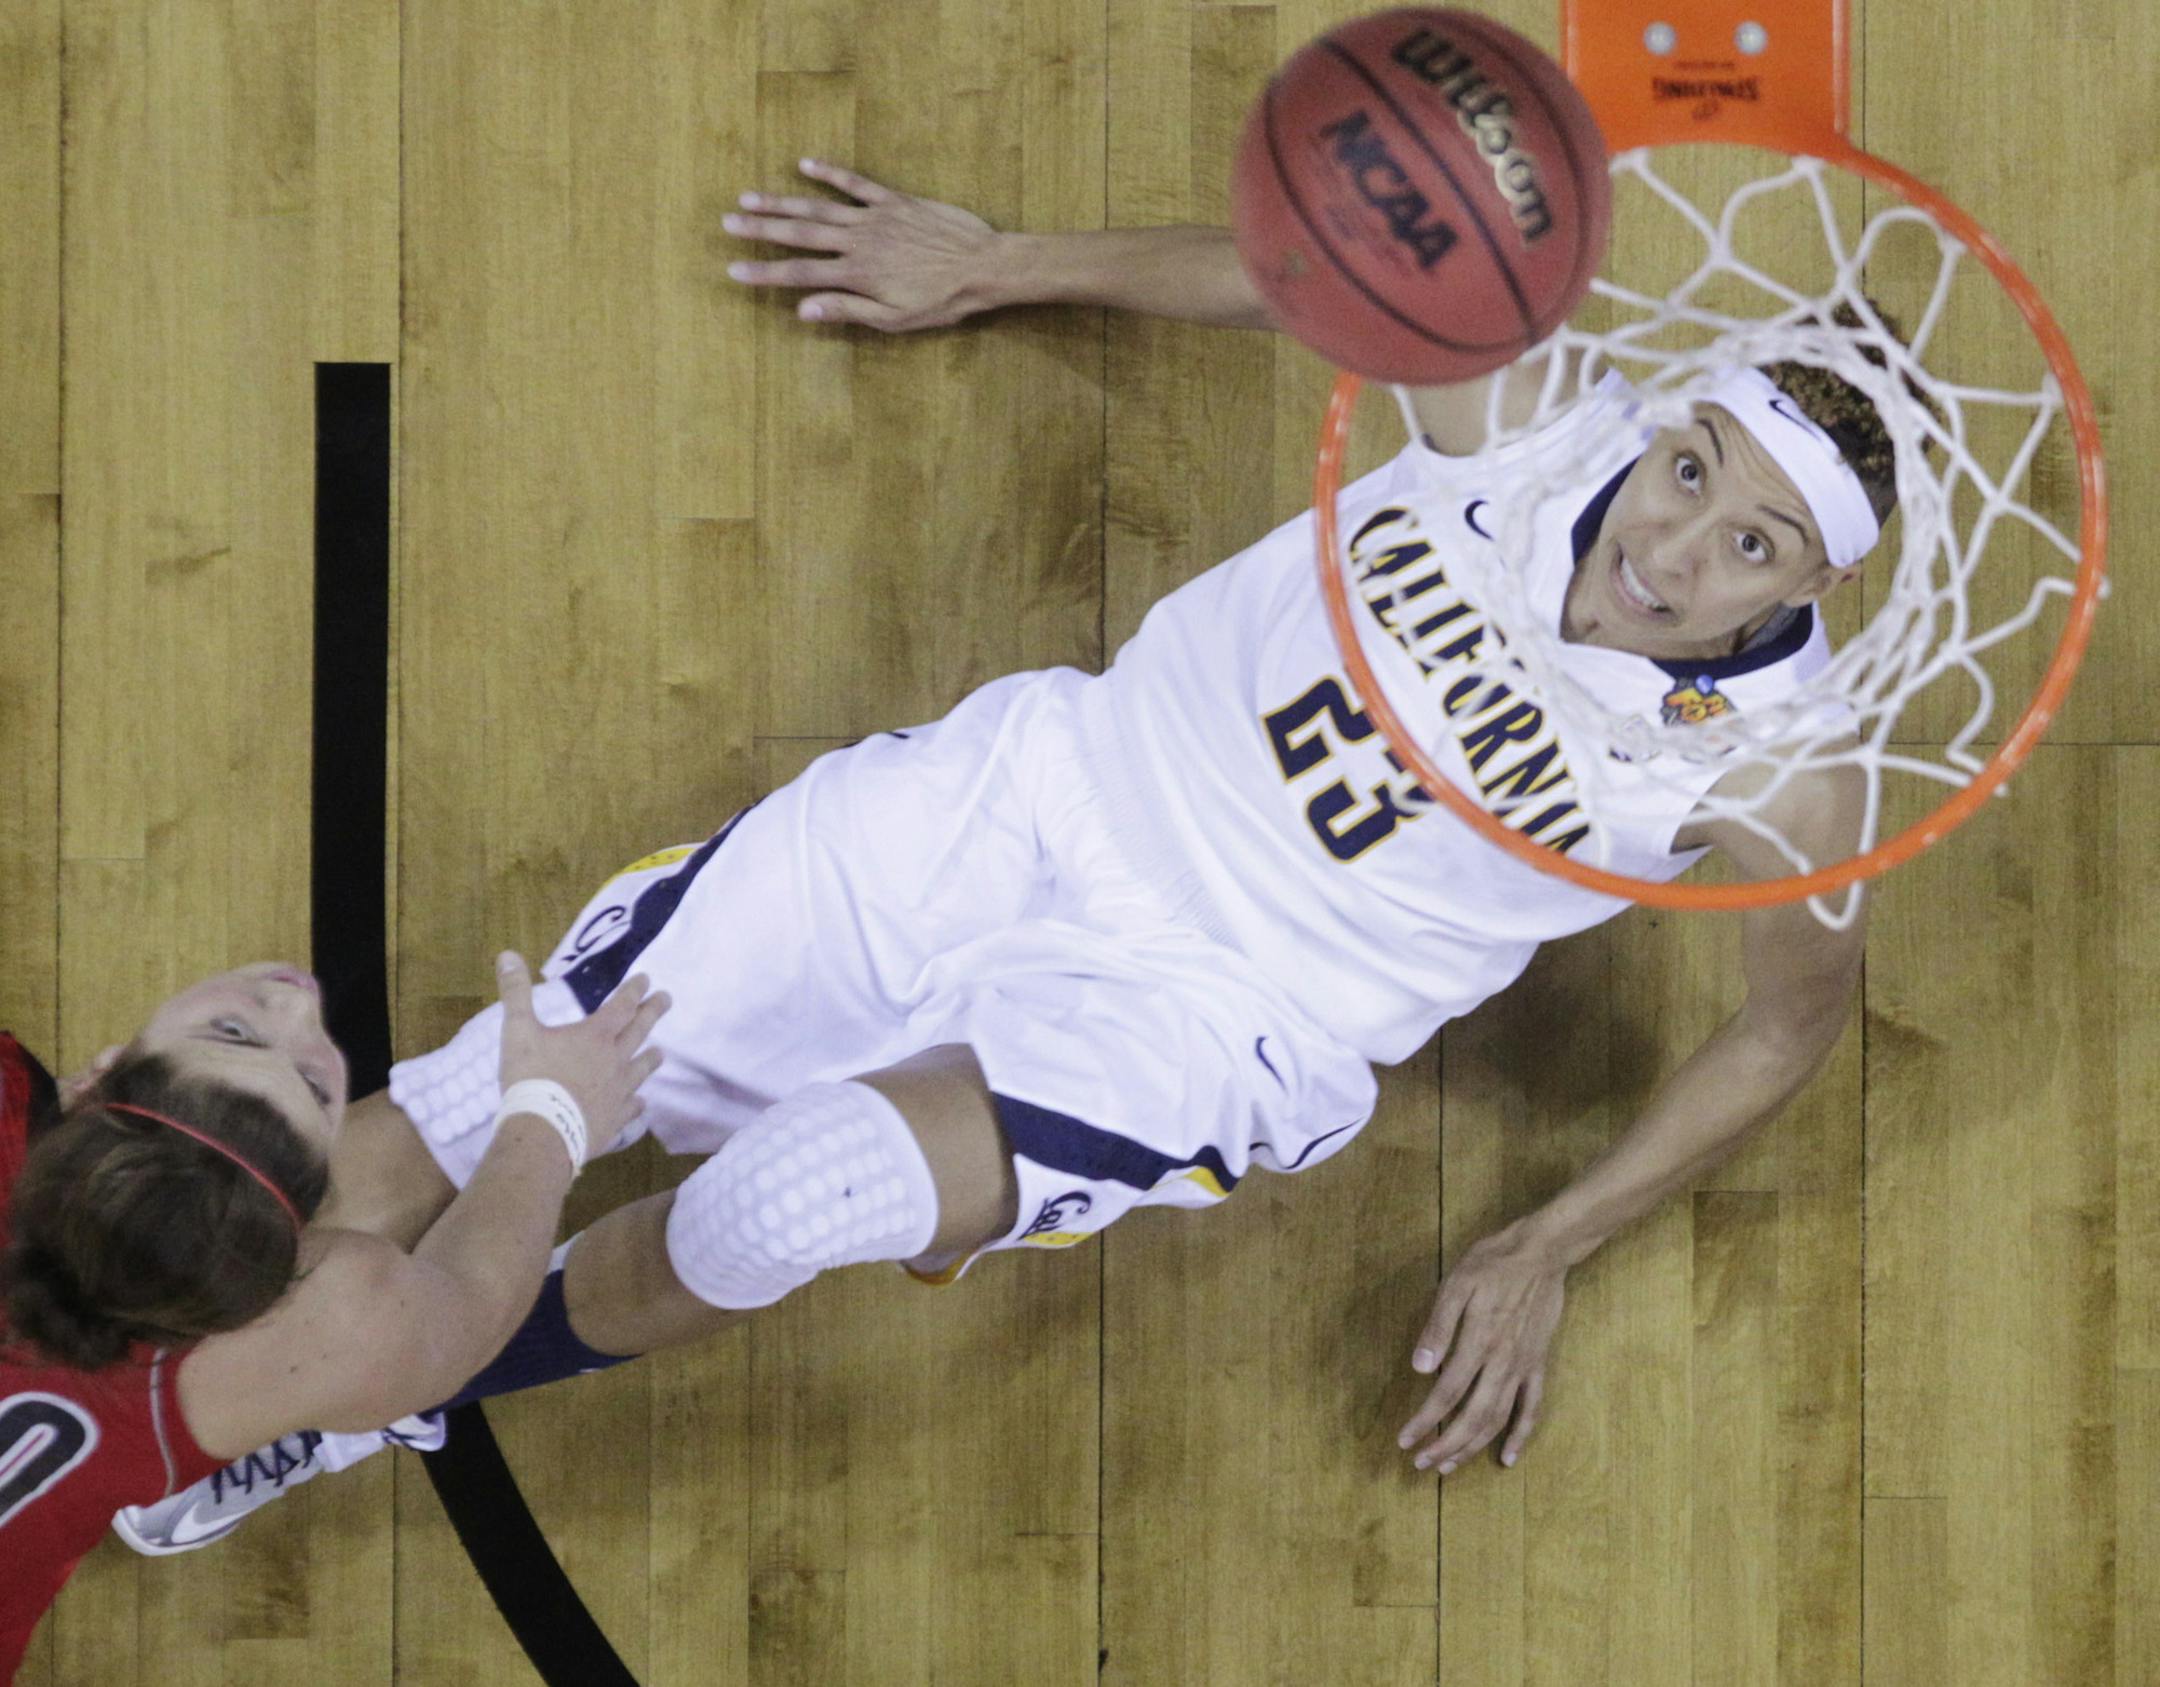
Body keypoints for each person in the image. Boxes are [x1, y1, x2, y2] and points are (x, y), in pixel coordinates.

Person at [125, 156, 1885, 1550]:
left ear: (1808, 591)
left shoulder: (1788, 779)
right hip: (1037, 786)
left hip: (1216, 1012)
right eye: (1690, 474)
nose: (1675, 550)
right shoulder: (1516, 404)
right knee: (462, 1104)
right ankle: (103, 1389)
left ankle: (345, 1405)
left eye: (1753, 544)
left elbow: (1788, 1024)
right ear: (1662, 425)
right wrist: (995, 263)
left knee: (786, 1203)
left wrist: (1554, 1238)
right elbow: (1294, 281)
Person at [0, 956, 669, 1679]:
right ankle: (307, 1412)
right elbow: (466, 1309)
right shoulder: (342, 1309)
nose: (297, 999)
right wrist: (552, 1116)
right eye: (235, 1031)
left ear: (95, 1082)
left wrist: (554, 1112)